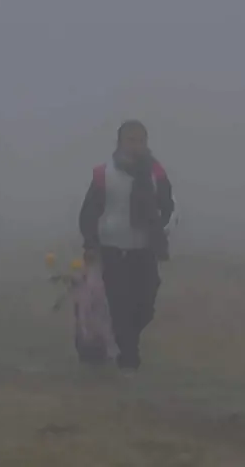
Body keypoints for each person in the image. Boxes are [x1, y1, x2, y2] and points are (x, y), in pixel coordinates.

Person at [77, 119, 174, 370]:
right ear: (119, 142)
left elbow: (168, 205)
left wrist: (160, 229)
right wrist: (90, 243)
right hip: (112, 249)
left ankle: (123, 342)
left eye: (141, 140)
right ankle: (128, 358)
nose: (136, 146)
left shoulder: (156, 173)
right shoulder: (104, 174)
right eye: (131, 140)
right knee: (120, 304)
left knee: (145, 305)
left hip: (144, 250)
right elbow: (89, 212)